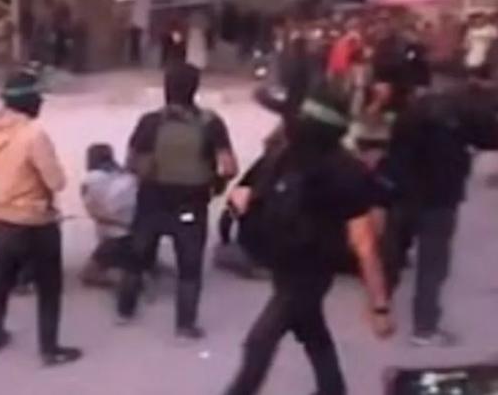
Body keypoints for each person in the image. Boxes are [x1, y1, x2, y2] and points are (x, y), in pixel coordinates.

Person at [225, 84, 394, 395]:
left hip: (311, 272)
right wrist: (243, 202)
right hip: (282, 262)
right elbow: (245, 191)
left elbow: (364, 242)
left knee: (260, 341)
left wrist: (379, 306)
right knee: (312, 331)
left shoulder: (344, 171)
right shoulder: (284, 156)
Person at [117, 62, 238, 339]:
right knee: (189, 268)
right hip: (191, 203)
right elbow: (229, 167)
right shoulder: (210, 123)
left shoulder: (150, 122)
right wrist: (215, 186)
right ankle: (185, 325)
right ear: (195, 89)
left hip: (152, 200)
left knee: (136, 257)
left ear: (166, 88)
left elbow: (131, 163)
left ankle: (125, 310)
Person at [0, 68, 82, 366]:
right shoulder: (34, 135)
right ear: (27, 101)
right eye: (38, 98)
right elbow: (56, 182)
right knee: (49, 287)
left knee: (0, 280)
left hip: (0, 219)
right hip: (35, 222)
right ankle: (49, 349)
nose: (41, 103)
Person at [382, 75, 498, 347]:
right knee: (433, 264)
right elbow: (490, 138)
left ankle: (380, 302)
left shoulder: (416, 108)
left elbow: (395, 146)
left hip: (404, 192)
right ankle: (424, 327)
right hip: (440, 196)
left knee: (394, 250)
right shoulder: (470, 112)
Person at [80, 144, 138, 288]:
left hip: (113, 235)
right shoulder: (126, 177)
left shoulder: (89, 180)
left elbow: (96, 210)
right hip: (129, 233)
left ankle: (123, 278)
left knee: (89, 273)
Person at [464, 13, 498, 79]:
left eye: (481, 20)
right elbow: (467, 40)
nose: (479, 21)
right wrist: (467, 46)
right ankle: (473, 78)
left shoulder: (491, 29)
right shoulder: (471, 30)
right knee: (471, 64)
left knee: (483, 64)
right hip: (474, 51)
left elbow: (495, 39)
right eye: (477, 20)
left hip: (487, 51)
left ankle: (480, 77)